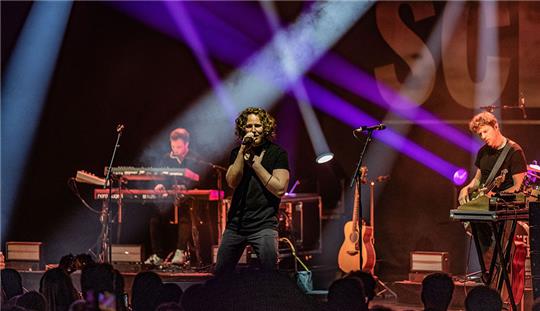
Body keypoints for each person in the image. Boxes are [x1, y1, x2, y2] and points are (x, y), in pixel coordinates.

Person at [215, 107, 289, 275]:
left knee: (270, 275)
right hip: (236, 225)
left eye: (258, 126)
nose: (254, 130)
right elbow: (232, 181)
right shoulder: (237, 153)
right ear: (243, 129)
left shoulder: (277, 153)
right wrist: (242, 152)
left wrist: (255, 164)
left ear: (266, 128)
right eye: (249, 126)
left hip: (264, 225)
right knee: (220, 274)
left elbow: (279, 189)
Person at [457, 112, 527, 259]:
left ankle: (502, 277)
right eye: (479, 134)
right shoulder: (482, 152)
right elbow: (477, 181)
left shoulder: (514, 151)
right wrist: (466, 188)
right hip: (486, 208)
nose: (482, 136)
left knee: (504, 253)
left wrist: (496, 196)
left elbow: (518, 186)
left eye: (485, 131)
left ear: (496, 126)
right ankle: (489, 276)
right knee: (484, 248)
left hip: (506, 209)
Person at [145, 128, 202, 266]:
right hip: (170, 198)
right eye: (173, 146)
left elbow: (201, 178)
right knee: (155, 218)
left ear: (187, 144)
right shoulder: (166, 158)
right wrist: (159, 185)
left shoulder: (195, 158)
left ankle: (180, 251)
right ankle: (158, 254)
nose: (175, 150)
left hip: (189, 200)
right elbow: (161, 177)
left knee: (185, 214)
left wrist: (185, 188)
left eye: (179, 147)